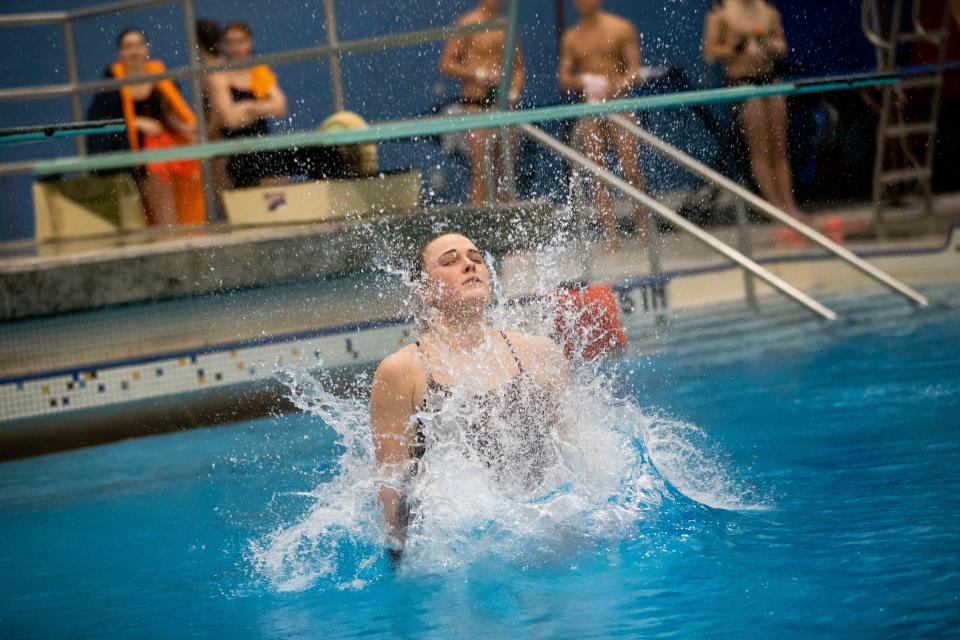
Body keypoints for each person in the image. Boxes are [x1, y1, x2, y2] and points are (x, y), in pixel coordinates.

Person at [369, 233, 569, 558]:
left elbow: (577, 462)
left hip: (548, 533)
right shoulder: (403, 372)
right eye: (450, 261)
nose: (468, 265)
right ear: (425, 291)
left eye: (475, 258)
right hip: (461, 555)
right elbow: (392, 495)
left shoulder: (539, 354)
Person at [703, 0, 810, 237]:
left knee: (779, 147)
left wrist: (769, 45)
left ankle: (789, 205)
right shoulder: (720, 13)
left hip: (769, 79)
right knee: (760, 149)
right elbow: (710, 53)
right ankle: (774, 207)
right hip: (742, 83)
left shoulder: (768, 11)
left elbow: (782, 46)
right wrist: (739, 48)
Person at [87, 28, 204, 225]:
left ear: (147, 48)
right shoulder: (110, 86)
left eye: (138, 45)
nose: (134, 51)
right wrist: (134, 123)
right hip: (125, 151)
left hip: (158, 149)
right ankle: (166, 230)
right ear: (120, 53)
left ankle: (173, 229)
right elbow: (100, 124)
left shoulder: (159, 77)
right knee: (152, 180)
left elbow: (168, 114)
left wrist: (185, 128)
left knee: (173, 170)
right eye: (128, 46)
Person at [558, 0, 647, 246]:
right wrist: (585, 83)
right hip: (592, 107)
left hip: (619, 105)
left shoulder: (620, 28)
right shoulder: (572, 37)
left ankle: (642, 227)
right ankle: (611, 235)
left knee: (631, 167)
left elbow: (633, 71)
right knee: (597, 171)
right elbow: (564, 78)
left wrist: (616, 86)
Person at [440, 0, 525, 204]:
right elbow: (446, 64)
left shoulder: (505, 26)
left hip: (501, 107)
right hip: (475, 106)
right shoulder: (468, 23)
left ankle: (506, 226)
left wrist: (513, 91)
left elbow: (518, 67)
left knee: (505, 173)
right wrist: (476, 73)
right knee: (481, 170)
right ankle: (478, 227)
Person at [208, 22, 289, 188]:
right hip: (233, 151)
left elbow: (280, 107)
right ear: (224, 46)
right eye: (231, 43)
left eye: (240, 42)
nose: (236, 48)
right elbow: (230, 120)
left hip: (262, 144)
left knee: (279, 190)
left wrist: (247, 108)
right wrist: (263, 107)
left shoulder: (258, 71)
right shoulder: (219, 76)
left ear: (249, 43)